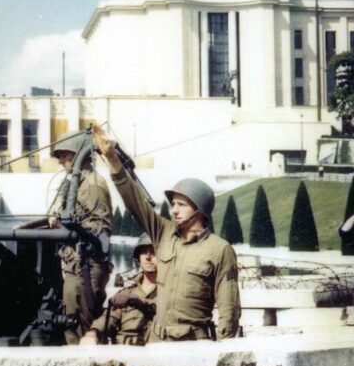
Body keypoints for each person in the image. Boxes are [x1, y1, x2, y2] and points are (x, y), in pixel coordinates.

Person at [93, 124, 240, 341]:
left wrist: (222, 348)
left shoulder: (219, 250)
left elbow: (229, 307)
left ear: (199, 210)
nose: (174, 210)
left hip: (193, 344)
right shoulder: (163, 233)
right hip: (156, 340)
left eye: (182, 205)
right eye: (174, 204)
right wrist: (112, 159)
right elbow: (134, 201)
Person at [48, 129, 113, 344]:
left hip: (87, 265)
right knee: (71, 322)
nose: (61, 162)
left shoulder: (93, 184)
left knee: (79, 326)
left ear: (79, 154)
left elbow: (100, 231)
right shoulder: (74, 183)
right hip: (74, 263)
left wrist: (66, 227)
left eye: (65, 155)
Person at [80, 233, 157, 346]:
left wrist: (139, 302)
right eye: (144, 252)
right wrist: (93, 332)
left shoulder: (170, 292)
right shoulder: (127, 292)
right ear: (138, 258)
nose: (148, 257)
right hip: (123, 352)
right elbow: (109, 317)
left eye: (153, 251)